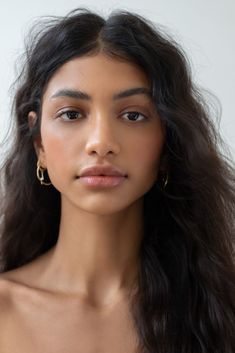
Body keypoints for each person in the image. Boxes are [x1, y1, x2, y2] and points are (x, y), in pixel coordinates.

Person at [0, 8, 234, 353]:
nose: (101, 143)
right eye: (71, 114)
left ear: (167, 143)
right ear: (39, 144)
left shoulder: (220, 311)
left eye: (133, 115)